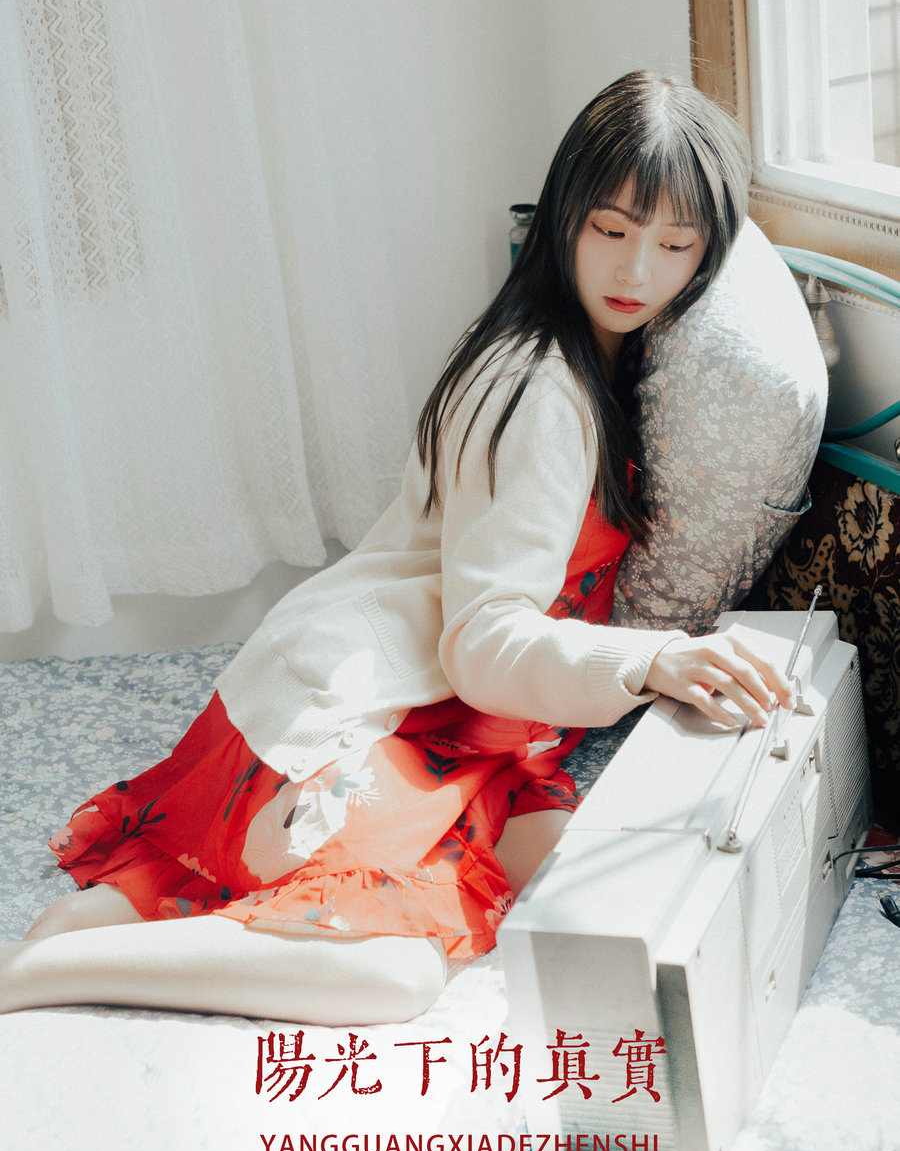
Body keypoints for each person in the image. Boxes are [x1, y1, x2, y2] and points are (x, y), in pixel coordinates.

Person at [1, 71, 793, 1024]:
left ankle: (94, 927)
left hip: (463, 716)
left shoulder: (592, 357)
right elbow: (486, 638)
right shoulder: (539, 391)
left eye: (675, 245)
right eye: (610, 230)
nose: (636, 272)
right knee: (396, 971)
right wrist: (652, 660)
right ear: (564, 216)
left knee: (594, 890)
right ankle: (39, 974)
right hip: (378, 701)